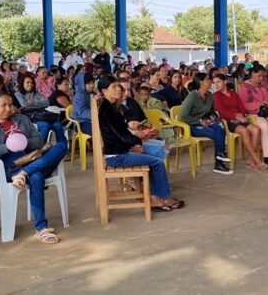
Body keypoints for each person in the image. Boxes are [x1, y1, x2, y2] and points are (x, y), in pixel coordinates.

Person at [0, 92, 67, 244]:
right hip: (9, 168)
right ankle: (41, 228)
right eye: (4, 105)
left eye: (10, 105)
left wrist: (24, 143)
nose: (9, 109)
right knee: (36, 176)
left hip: (32, 160)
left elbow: (39, 140)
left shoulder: (21, 119)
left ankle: (24, 172)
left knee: (61, 146)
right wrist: (7, 147)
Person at [95, 75, 183, 211]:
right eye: (114, 87)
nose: (119, 90)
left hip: (122, 149)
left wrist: (139, 136)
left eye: (118, 86)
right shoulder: (108, 110)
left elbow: (125, 132)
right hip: (118, 156)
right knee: (158, 162)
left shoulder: (114, 106)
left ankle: (155, 195)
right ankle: (162, 196)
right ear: (104, 91)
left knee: (162, 150)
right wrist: (136, 142)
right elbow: (122, 136)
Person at [213, 74, 268, 170]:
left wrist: (242, 115)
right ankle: (256, 160)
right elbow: (222, 112)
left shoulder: (234, 94)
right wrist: (236, 116)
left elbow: (242, 107)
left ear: (225, 82)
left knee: (256, 130)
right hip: (228, 121)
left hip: (240, 118)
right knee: (244, 131)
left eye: (218, 82)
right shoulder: (216, 95)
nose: (216, 85)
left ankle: (250, 160)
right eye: (214, 83)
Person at [180, 73, 232, 175]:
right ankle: (219, 161)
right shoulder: (192, 96)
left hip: (207, 122)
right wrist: (199, 121)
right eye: (208, 79)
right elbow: (184, 116)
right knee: (217, 134)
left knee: (220, 127)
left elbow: (212, 111)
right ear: (201, 82)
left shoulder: (209, 95)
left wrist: (213, 116)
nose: (210, 81)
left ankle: (219, 159)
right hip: (193, 125)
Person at [14, 73, 67, 143]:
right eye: (27, 82)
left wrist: (33, 103)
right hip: (28, 117)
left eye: (32, 83)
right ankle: (39, 148)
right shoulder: (18, 94)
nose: (30, 84)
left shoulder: (36, 93)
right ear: (22, 83)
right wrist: (39, 104)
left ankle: (62, 147)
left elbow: (47, 102)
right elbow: (25, 105)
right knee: (45, 125)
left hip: (42, 114)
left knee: (57, 124)